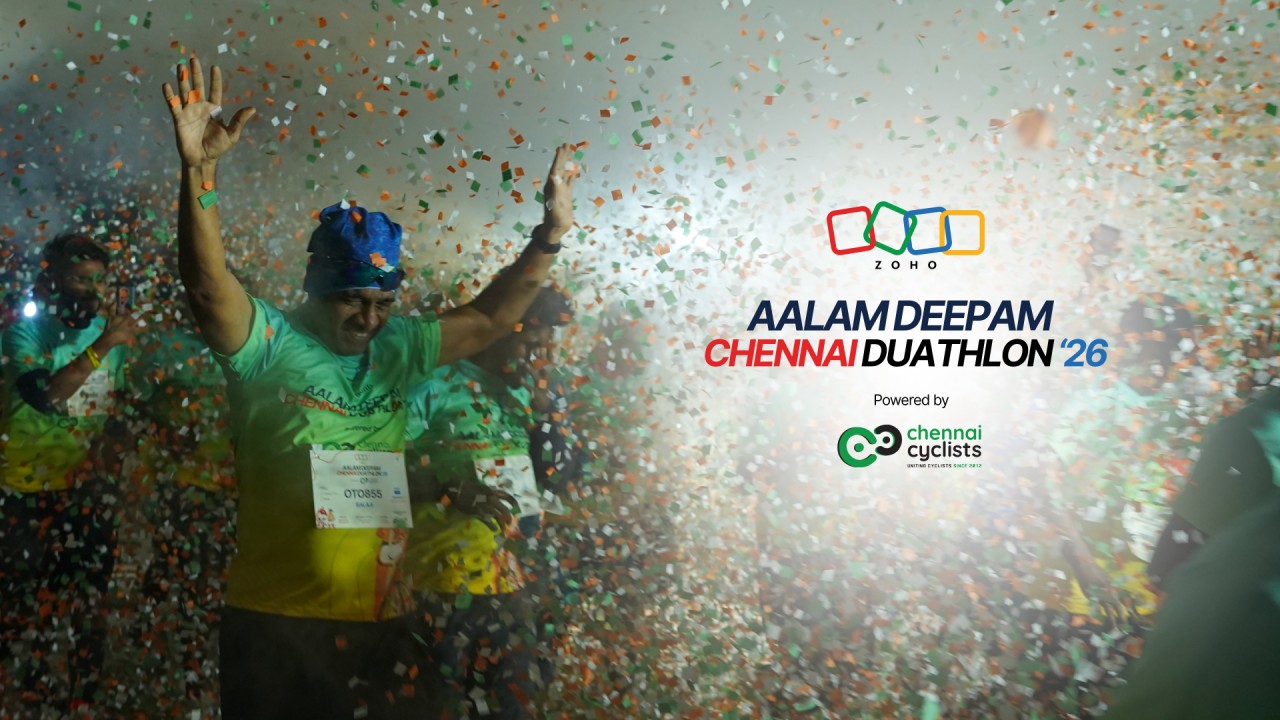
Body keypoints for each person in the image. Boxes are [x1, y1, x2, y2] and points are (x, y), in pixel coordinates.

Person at [160, 54, 580, 719]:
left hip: (386, 620)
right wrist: (198, 173)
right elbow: (209, 289)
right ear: (317, 290)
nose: (369, 319)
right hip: (276, 621)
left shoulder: (399, 347)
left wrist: (549, 235)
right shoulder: (270, 343)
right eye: (353, 301)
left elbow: (493, 318)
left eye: (383, 303)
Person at [403, 286, 574, 719]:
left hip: (508, 590)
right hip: (434, 590)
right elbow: (369, 471)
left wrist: (546, 413)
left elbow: (555, 481)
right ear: (502, 328)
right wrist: (447, 488)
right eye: (533, 340)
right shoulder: (435, 384)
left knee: (511, 708)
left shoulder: (528, 395)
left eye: (549, 343)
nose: (542, 354)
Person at [0, 232, 141, 712]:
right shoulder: (24, 333)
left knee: (90, 599)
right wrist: (104, 344)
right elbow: (48, 395)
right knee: (24, 601)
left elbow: (111, 409)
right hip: (24, 491)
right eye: (81, 278)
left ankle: (84, 695)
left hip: (84, 493)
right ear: (52, 281)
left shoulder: (112, 337)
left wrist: (114, 463)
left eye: (100, 279)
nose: (94, 289)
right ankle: (29, 689)